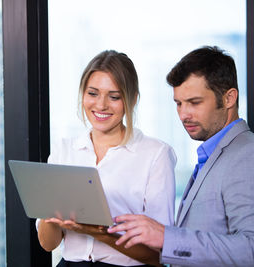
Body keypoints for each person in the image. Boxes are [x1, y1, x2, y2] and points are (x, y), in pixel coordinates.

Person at [108, 46, 254, 267]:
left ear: (228, 98)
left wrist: (166, 237)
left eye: (194, 102)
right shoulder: (216, 155)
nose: (184, 114)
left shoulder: (252, 158)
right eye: (178, 103)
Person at [36, 50, 177, 267]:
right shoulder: (64, 149)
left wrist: (100, 232)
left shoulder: (156, 154)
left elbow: (159, 255)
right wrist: (49, 209)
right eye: (92, 93)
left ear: (132, 100)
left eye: (114, 96)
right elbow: (48, 244)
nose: (101, 105)